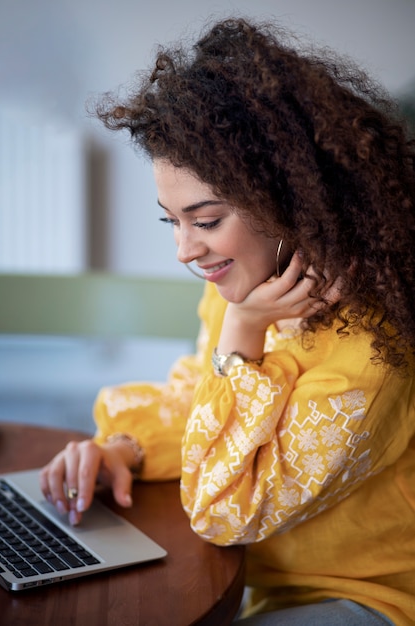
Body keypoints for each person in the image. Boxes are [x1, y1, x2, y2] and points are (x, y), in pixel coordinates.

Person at [40, 16, 415, 625]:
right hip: (255, 583)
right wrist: (123, 449)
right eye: (172, 221)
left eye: (206, 220)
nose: (185, 250)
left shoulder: (370, 354)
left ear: (290, 201)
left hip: (361, 596)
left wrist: (242, 333)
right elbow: (200, 393)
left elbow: (221, 513)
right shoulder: (251, 282)